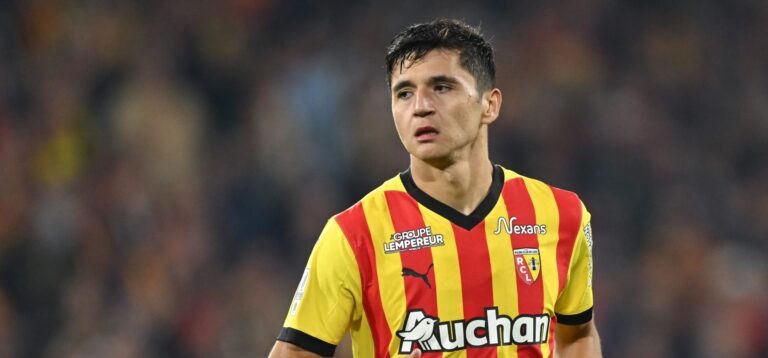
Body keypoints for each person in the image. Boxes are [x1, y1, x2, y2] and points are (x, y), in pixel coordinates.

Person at [269, 19, 601, 357]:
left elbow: (577, 335)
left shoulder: (561, 215)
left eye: (441, 87)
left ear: (490, 104)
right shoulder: (355, 234)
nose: (421, 106)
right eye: (404, 93)